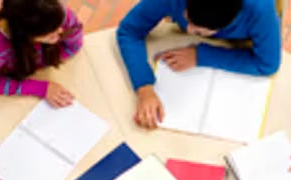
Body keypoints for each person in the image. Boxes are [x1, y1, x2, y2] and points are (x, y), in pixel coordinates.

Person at [117, 0, 282, 128]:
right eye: (186, 19)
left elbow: (268, 63)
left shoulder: (261, 8)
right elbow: (129, 31)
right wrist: (144, 87)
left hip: (238, 42)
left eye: (198, 31)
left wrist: (201, 56)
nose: (188, 30)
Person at [0, 0, 84, 106]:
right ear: (24, 36)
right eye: (50, 33)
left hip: (29, 65)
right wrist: (41, 88)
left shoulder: (55, 14)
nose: (60, 31)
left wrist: (45, 63)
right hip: (5, 71)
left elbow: (74, 45)